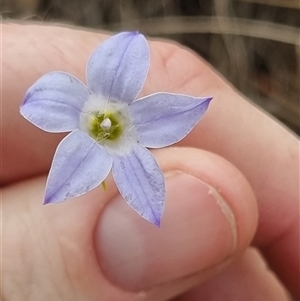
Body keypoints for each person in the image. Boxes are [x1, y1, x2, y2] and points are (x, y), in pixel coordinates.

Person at [1, 23, 299, 301]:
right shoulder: (65, 106)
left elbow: (148, 194)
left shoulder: (127, 136)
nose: (107, 124)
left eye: (110, 123)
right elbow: (39, 105)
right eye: (106, 122)